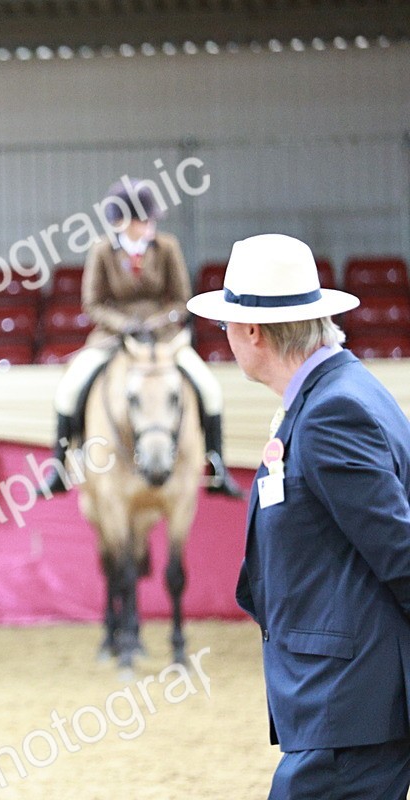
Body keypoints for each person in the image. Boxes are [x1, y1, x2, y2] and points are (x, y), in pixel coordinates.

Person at [189, 233, 410, 799]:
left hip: (350, 707)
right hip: (346, 705)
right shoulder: (339, 393)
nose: (227, 338)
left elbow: (401, 553)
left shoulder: (331, 412)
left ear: (254, 332)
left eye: (228, 325)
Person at [38, 179, 241, 497]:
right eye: (142, 220)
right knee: (69, 388)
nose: (149, 225)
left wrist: (158, 322)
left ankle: (216, 467)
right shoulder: (102, 251)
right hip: (114, 338)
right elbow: (92, 304)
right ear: (121, 221)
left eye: (150, 219)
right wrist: (125, 324)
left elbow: (180, 299)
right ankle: (59, 468)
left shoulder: (167, 247)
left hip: (165, 339)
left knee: (209, 389)